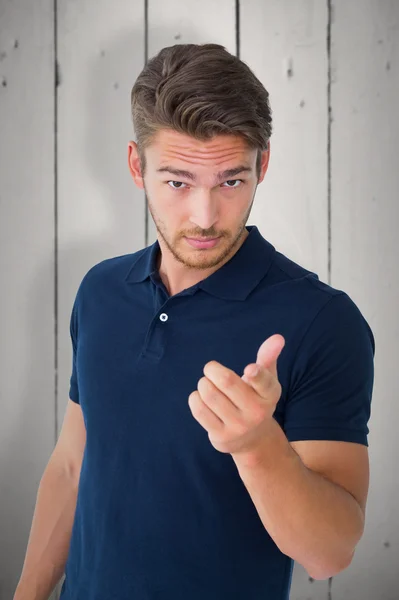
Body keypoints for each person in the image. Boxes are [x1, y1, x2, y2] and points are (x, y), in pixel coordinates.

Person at [14, 43, 375, 600]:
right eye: (178, 182)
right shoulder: (100, 292)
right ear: (137, 166)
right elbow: (72, 466)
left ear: (263, 165)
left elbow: (329, 554)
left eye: (230, 181)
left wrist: (258, 446)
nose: (204, 217)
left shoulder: (324, 321)